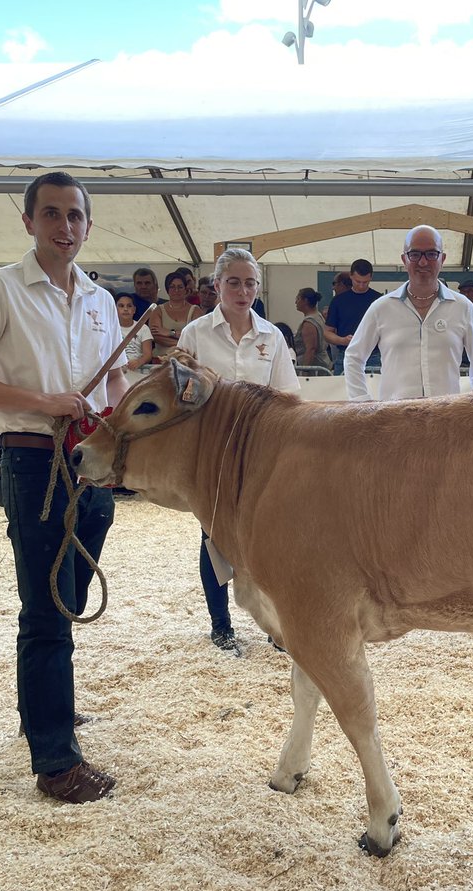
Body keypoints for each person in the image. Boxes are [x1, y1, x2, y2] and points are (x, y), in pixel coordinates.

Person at [0, 171, 130, 805]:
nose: (64, 226)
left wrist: (126, 443)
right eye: (51, 214)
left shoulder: (102, 301)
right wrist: (43, 401)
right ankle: (54, 761)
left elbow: (117, 387)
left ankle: (47, 706)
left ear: (87, 225)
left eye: (74, 215)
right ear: (28, 222)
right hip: (32, 459)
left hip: (91, 467)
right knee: (46, 611)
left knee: (69, 597)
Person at [176, 248, 299, 653]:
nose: (242, 291)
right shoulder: (195, 334)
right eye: (234, 282)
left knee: (267, 538)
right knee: (213, 535)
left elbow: (287, 396)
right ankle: (220, 624)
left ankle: (270, 621)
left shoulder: (272, 336)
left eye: (250, 283)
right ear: (217, 286)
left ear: (258, 289)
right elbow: (182, 395)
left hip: (262, 452)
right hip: (211, 452)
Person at [344, 225, 473, 402]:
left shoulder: (463, 308)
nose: (423, 262)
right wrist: (362, 402)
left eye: (431, 254)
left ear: (442, 259)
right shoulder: (381, 308)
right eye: (415, 254)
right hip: (395, 419)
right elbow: (353, 357)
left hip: (445, 418)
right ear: (404, 259)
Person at [325, 258, 382, 375]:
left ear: (371, 277)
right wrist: (342, 340)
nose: (361, 286)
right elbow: (327, 333)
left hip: (374, 356)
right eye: (357, 281)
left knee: (376, 392)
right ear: (351, 276)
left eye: (365, 282)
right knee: (341, 392)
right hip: (346, 354)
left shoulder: (380, 300)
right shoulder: (338, 301)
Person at [150, 271, 199, 354]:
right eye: (172, 287)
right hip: (161, 360)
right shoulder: (158, 311)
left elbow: (196, 337)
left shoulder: (195, 311)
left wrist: (170, 333)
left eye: (180, 287)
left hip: (187, 360)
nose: (176, 290)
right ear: (167, 289)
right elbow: (156, 336)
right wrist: (183, 345)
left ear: (185, 289)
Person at [116, 293, 153, 382]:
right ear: (115, 309)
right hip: (117, 373)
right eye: (121, 306)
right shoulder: (110, 328)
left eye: (129, 306)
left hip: (138, 371)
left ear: (134, 310)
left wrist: (139, 362)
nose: (125, 309)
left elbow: (148, 355)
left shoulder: (143, 328)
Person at [293, 287, 332, 370]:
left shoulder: (309, 323)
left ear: (305, 300)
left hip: (315, 368)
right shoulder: (318, 316)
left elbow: (311, 349)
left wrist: (305, 370)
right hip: (323, 362)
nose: (296, 302)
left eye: (298, 298)